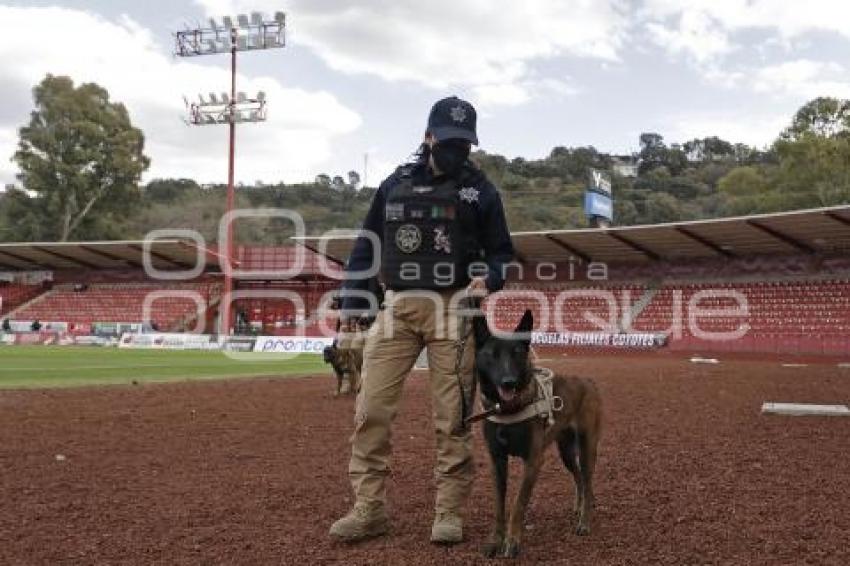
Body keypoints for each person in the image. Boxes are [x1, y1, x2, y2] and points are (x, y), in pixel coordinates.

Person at [329, 96, 514, 544]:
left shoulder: (481, 190)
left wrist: (488, 279)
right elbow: (367, 243)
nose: (458, 150)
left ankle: (448, 511)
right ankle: (369, 509)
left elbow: (502, 254)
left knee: (451, 415)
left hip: (454, 306)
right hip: (397, 306)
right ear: (428, 136)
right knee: (370, 408)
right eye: (449, 141)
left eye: (465, 143)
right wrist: (355, 299)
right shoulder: (394, 184)